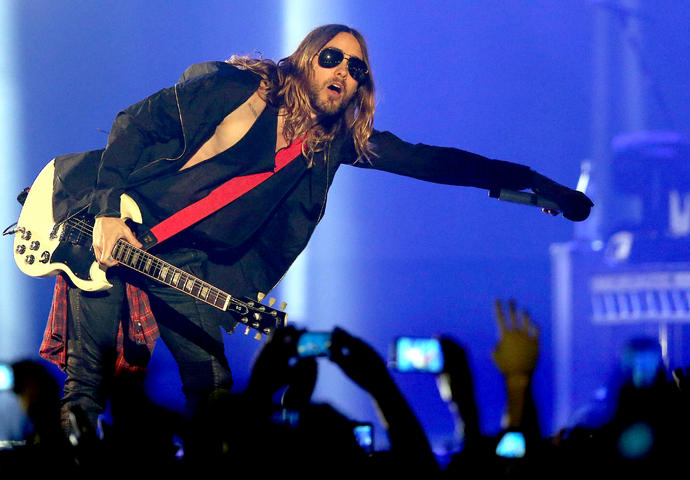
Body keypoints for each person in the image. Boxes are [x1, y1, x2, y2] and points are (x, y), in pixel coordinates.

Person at [39, 24, 593, 431]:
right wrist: (107, 210)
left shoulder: (334, 145)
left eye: (357, 69)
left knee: (213, 389)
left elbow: (433, 162)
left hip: (181, 262)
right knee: (86, 386)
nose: (344, 72)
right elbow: (133, 124)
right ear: (307, 58)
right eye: (333, 58)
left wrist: (537, 186)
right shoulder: (235, 89)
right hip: (110, 223)